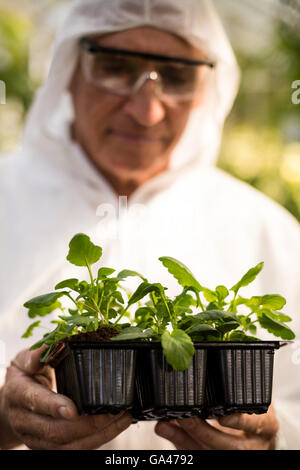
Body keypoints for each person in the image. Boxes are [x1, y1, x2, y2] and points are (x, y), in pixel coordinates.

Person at [0, 0, 300, 450]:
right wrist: (5, 421)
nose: (147, 112)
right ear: (68, 71)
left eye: (177, 78)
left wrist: (269, 441)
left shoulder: (266, 229)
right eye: (117, 69)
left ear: (206, 88)